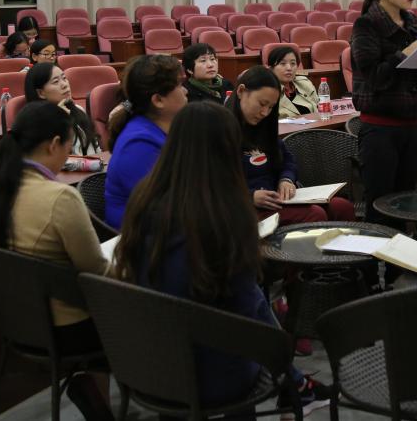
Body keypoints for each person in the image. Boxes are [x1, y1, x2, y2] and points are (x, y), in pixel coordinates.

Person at [111, 101, 331, 412]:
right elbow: (247, 309)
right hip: (210, 375)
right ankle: (293, 386)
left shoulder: (144, 198)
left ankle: (294, 384)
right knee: (251, 307)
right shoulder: (220, 215)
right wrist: (284, 355)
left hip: (147, 362)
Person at [0, 101, 112, 420]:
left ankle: (93, 391)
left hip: (15, 321)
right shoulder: (59, 198)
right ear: (53, 144)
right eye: (69, 148)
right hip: (69, 329)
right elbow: (97, 271)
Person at [350, 0, 417, 220]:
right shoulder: (366, 25)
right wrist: (404, 55)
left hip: (412, 129)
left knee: (406, 207)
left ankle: (401, 249)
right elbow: (374, 79)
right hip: (380, 131)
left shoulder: (414, 24)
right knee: (380, 208)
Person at [229, 66, 355, 225]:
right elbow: (212, 185)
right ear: (241, 91)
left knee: (342, 207)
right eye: (262, 104)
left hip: (277, 200)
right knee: (314, 215)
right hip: (243, 208)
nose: (265, 113)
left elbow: (287, 160)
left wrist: (286, 179)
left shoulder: (263, 127)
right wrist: (250, 197)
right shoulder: (220, 131)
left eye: (271, 107)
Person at [104, 55, 187, 229]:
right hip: (143, 235)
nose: (186, 91)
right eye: (180, 85)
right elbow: (164, 208)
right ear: (158, 100)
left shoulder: (168, 129)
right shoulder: (138, 145)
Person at [24, 63, 100, 155]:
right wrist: (60, 123)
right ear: (41, 93)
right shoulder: (36, 124)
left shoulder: (78, 109)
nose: (64, 85)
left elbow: (95, 148)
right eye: (56, 82)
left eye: (64, 78)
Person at [266, 45, 317, 118]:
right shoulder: (267, 91)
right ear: (271, 69)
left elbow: (320, 107)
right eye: (283, 63)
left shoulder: (305, 84)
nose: (289, 68)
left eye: (293, 63)